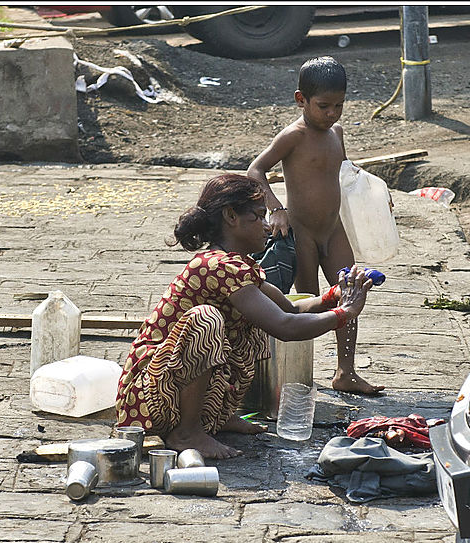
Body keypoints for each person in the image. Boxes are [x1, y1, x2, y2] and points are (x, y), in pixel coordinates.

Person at [114, 173, 374, 459]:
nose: (267, 226)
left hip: (169, 393)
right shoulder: (216, 266)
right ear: (231, 216)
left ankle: (217, 416)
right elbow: (286, 327)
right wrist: (345, 313)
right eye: (259, 216)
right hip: (148, 399)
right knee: (206, 319)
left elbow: (290, 309)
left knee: (254, 321)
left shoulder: (239, 266)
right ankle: (186, 433)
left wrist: (334, 295)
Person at [247, 56, 384, 396]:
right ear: (301, 100)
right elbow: (255, 170)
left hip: (333, 230)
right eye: (324, 106)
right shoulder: (293, 136)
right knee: (306, 305)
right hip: (303, 234)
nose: (332, 114)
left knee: (351, 292)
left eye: (339, 105)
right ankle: (298, 374)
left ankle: (345, 372)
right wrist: (276, 208)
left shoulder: (336, 132)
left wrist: (376, 195)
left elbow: (346, 173)